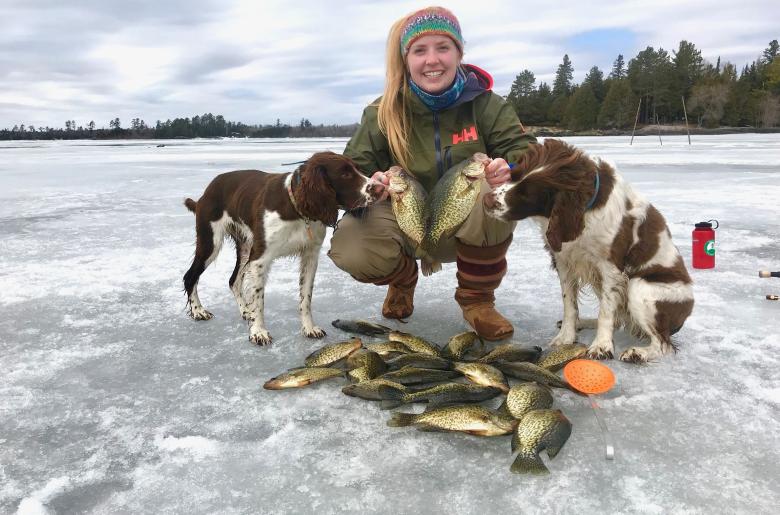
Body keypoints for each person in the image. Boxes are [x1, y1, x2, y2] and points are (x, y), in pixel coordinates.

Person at [328, 6, 536, 340]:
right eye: (420, 50)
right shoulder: (382, 112)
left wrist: (509, 169)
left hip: (464, 228)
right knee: (351, 246)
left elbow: (526, 151)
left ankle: (477, 300)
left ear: (459, 53)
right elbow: (351, 169)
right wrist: (373, 181)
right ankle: (403, 278)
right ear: (406, 58)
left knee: (488, 190)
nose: (432, 60)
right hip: (406, 224)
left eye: (443, 47)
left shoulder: (486, 105)